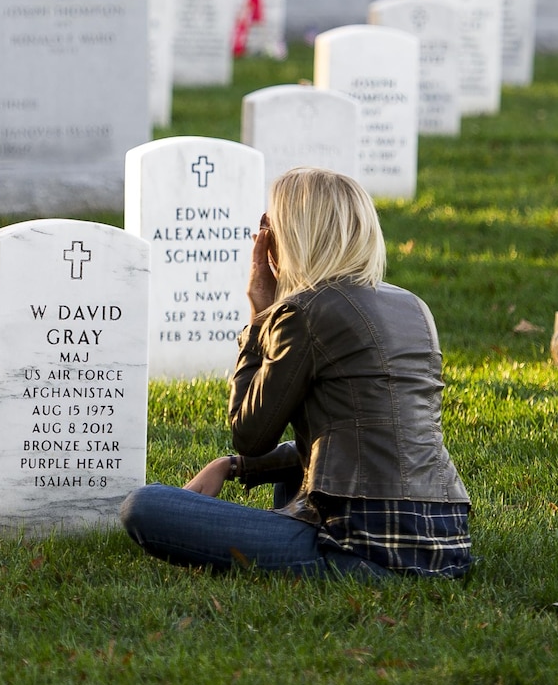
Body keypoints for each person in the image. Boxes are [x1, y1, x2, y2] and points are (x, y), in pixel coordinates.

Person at [119, 167, 472, 579]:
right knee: (297, 480)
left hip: (358, 549)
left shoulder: (304, 310)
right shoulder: (413, 306)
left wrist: (258, 315)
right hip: (445, 542)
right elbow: (353, 440)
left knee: (144, 506)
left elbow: (250, 435)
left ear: (291, 235)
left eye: (271, 227)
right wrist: (231, 467)